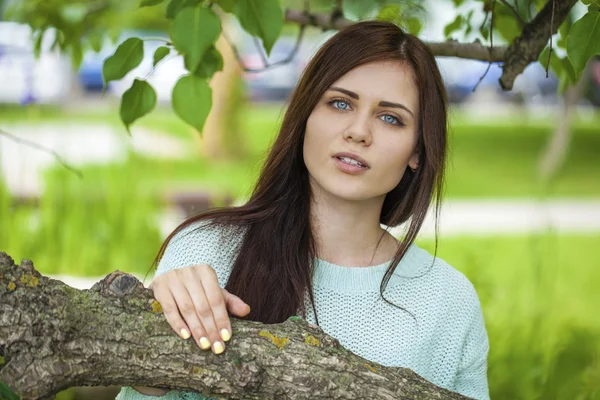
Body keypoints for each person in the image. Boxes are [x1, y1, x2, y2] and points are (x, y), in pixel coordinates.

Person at [116, 20, 489, 400]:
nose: (359, 131)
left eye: (390, 117)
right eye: (340, 103)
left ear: (417, 151)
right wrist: (155, 366)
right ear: (305, 116)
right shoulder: (205, 252)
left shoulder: (449, 301)